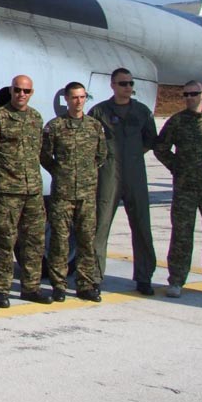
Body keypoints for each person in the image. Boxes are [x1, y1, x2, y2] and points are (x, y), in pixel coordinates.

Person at [154, 81, 202, 300]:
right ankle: (176, 281)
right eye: (186, 94)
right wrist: (177, 166)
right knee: (181, 234)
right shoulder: (177, 121)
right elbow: (160, 148)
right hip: (185, 187)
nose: (190, 97)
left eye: (194, 94)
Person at [0, 75, 51, 307]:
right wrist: (1, 178)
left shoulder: (35, 118)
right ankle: (1, 289)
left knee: (34, 242)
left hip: (33, 192)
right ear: (11, 90)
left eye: (26, 91)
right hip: (7, 192)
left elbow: (39, 150)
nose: (21, 94)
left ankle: (31, 287)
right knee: (5, 242)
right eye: (18, 90)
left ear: (31, 93)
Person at [88, 68, 158, 295]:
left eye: (130, 83)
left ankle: (144, 277)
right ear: (113, 85)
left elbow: (150, 139)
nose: (128, 87)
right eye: (123, 83)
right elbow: (90, 141)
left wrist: (133, 154)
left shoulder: (142, 111)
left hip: (135, 174)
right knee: (100, 226)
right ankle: (94, 277)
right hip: (108, 174)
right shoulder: (99, 112)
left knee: (142, 226)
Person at [41, 82, 108, 302]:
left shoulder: (94, 126)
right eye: (74, 97)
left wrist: (87, 174)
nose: (78, 101)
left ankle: (85, 285)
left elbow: (101, 155)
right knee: (59, 241)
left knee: (86, 240)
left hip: (87, 195)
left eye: (81, 97)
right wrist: (60, 172)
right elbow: (45, 155)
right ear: (67, 100)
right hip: (63, 194)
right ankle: (58, 285)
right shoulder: (55, 126)